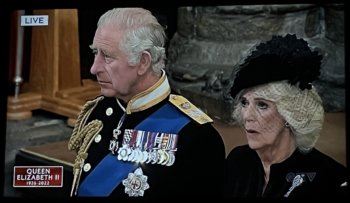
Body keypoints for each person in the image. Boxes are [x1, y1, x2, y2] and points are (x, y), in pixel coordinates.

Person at [67, 7, 226, 197]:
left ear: (143, 62)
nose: (94, 68)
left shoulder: (196, 137)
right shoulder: (99, 111)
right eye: (95, 53)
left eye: (107, 56)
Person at [224, 34, 348, 198]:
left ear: (290, 114)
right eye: (245, 103)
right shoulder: (238, 160)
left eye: (262, 105)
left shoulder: (328, 178)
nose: (247, 115)